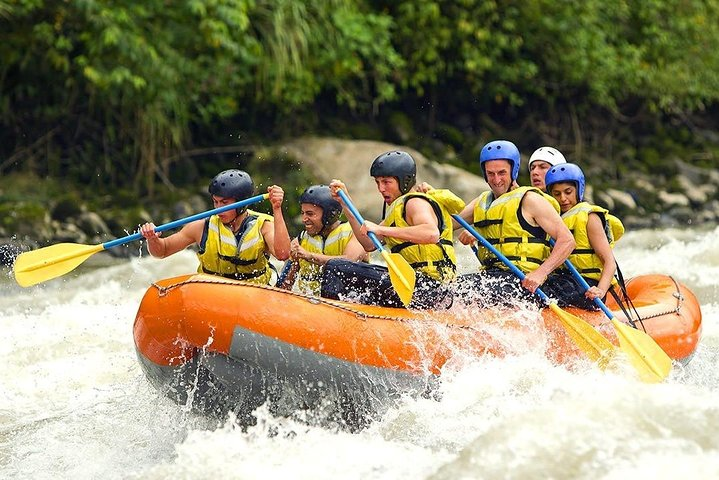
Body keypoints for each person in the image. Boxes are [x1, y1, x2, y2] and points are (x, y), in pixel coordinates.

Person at [324, 150, 465, 308]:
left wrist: (382, 230)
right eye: (377, 183)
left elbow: (430, 233)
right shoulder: (397, 211)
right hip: (413, 284)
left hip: (431, 288)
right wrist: (346, 203)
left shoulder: (415, 203)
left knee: (336, 267)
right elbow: (368, 244)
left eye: (386, 182)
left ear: (404, 181)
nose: (381, 189)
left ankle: (331, 315)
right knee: (349, 275)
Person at [453, 140, 576, 306]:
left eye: (502, 173)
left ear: (514, 170)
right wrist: (428, 200)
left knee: (466, 292)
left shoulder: (530, 199)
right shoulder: (482, 201)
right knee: (452, 288)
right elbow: (449, 222)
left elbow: (567, 241)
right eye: (491, 174)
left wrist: (540, 273)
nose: (496, 180)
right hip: (492, 276)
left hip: (522, 280)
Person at [139, 169, 291, 284]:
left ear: (242, 203)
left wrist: (277, 208)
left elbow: (283, 254)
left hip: (253, 298)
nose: (218, 208)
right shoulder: (201, 227)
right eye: (215, 202)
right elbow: (163, 250)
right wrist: (152, 239)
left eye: (224, 203)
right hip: (212, 298)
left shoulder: (263, 226)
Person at [545, 163, 625, 308]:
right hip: (563, 281)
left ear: (578, 189)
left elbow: (609, 262)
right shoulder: (552, 219)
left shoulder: (589, 217)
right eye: (557, 194)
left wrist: (600, 290)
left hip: (586, 285)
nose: (563, 198)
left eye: (568, 192)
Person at [278, 184, 368, 295]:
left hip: (348, 303)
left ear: (329, 214)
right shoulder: (300, 240)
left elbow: (348, 261)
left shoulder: (356, 233)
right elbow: (284, 286)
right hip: (310, 305)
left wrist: (309, 256)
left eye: (310, 214)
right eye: (303, 213)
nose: (304, 219)